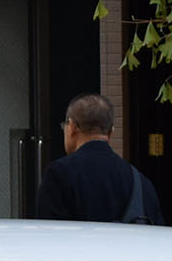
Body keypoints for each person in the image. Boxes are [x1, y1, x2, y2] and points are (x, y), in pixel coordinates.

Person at [34, 93, 164, 225]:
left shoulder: (58, 174)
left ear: (72, 126)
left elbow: (48, 232)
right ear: (111, 132)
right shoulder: (141, 183)